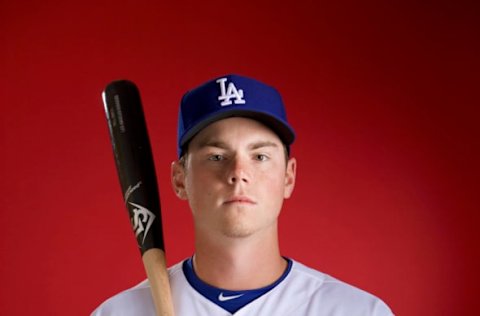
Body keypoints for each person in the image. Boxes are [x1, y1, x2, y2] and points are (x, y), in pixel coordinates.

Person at [92, 74, 394, 315]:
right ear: (180, 179)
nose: (238, 172)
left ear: (288, 177)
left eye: (260, 156)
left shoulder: (357, 311)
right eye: (216, 156)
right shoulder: (118, 313)